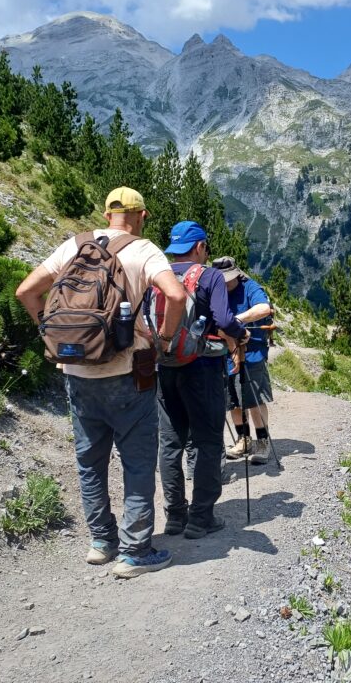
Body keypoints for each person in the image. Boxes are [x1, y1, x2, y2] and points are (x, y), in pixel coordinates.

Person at [15, 187, 187, 578]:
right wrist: (162, 339)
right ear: (141, 215)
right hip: (129, 373)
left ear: (107, 214)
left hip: (76, 375)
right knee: (138, 462)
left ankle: (101, 542)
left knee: (90, 462)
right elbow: (175, 295)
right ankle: (135, 551)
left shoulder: (73, 246)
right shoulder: (143, 250)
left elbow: (25, 291)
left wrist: (54, 336)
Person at [157, 221, 248, 539]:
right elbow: (224, 320)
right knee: (208, 441)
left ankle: (174, 516)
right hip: (203, 366)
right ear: (199, 247)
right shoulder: (210, 276)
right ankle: (201, 518)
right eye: (206, 248)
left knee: (170, 443)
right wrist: (241, 332)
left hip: (166, 365)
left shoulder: (160, 273)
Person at [212, 256, 275, 465]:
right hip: (225, 352)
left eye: (229, 279)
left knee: (253, 398)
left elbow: (264, 308)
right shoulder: (216, 288)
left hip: (252, 351)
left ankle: (262, 440)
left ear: (237, 274)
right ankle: (243, 439)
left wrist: (237, 321)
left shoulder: (250, 287)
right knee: (232, 399)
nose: (227, 283)